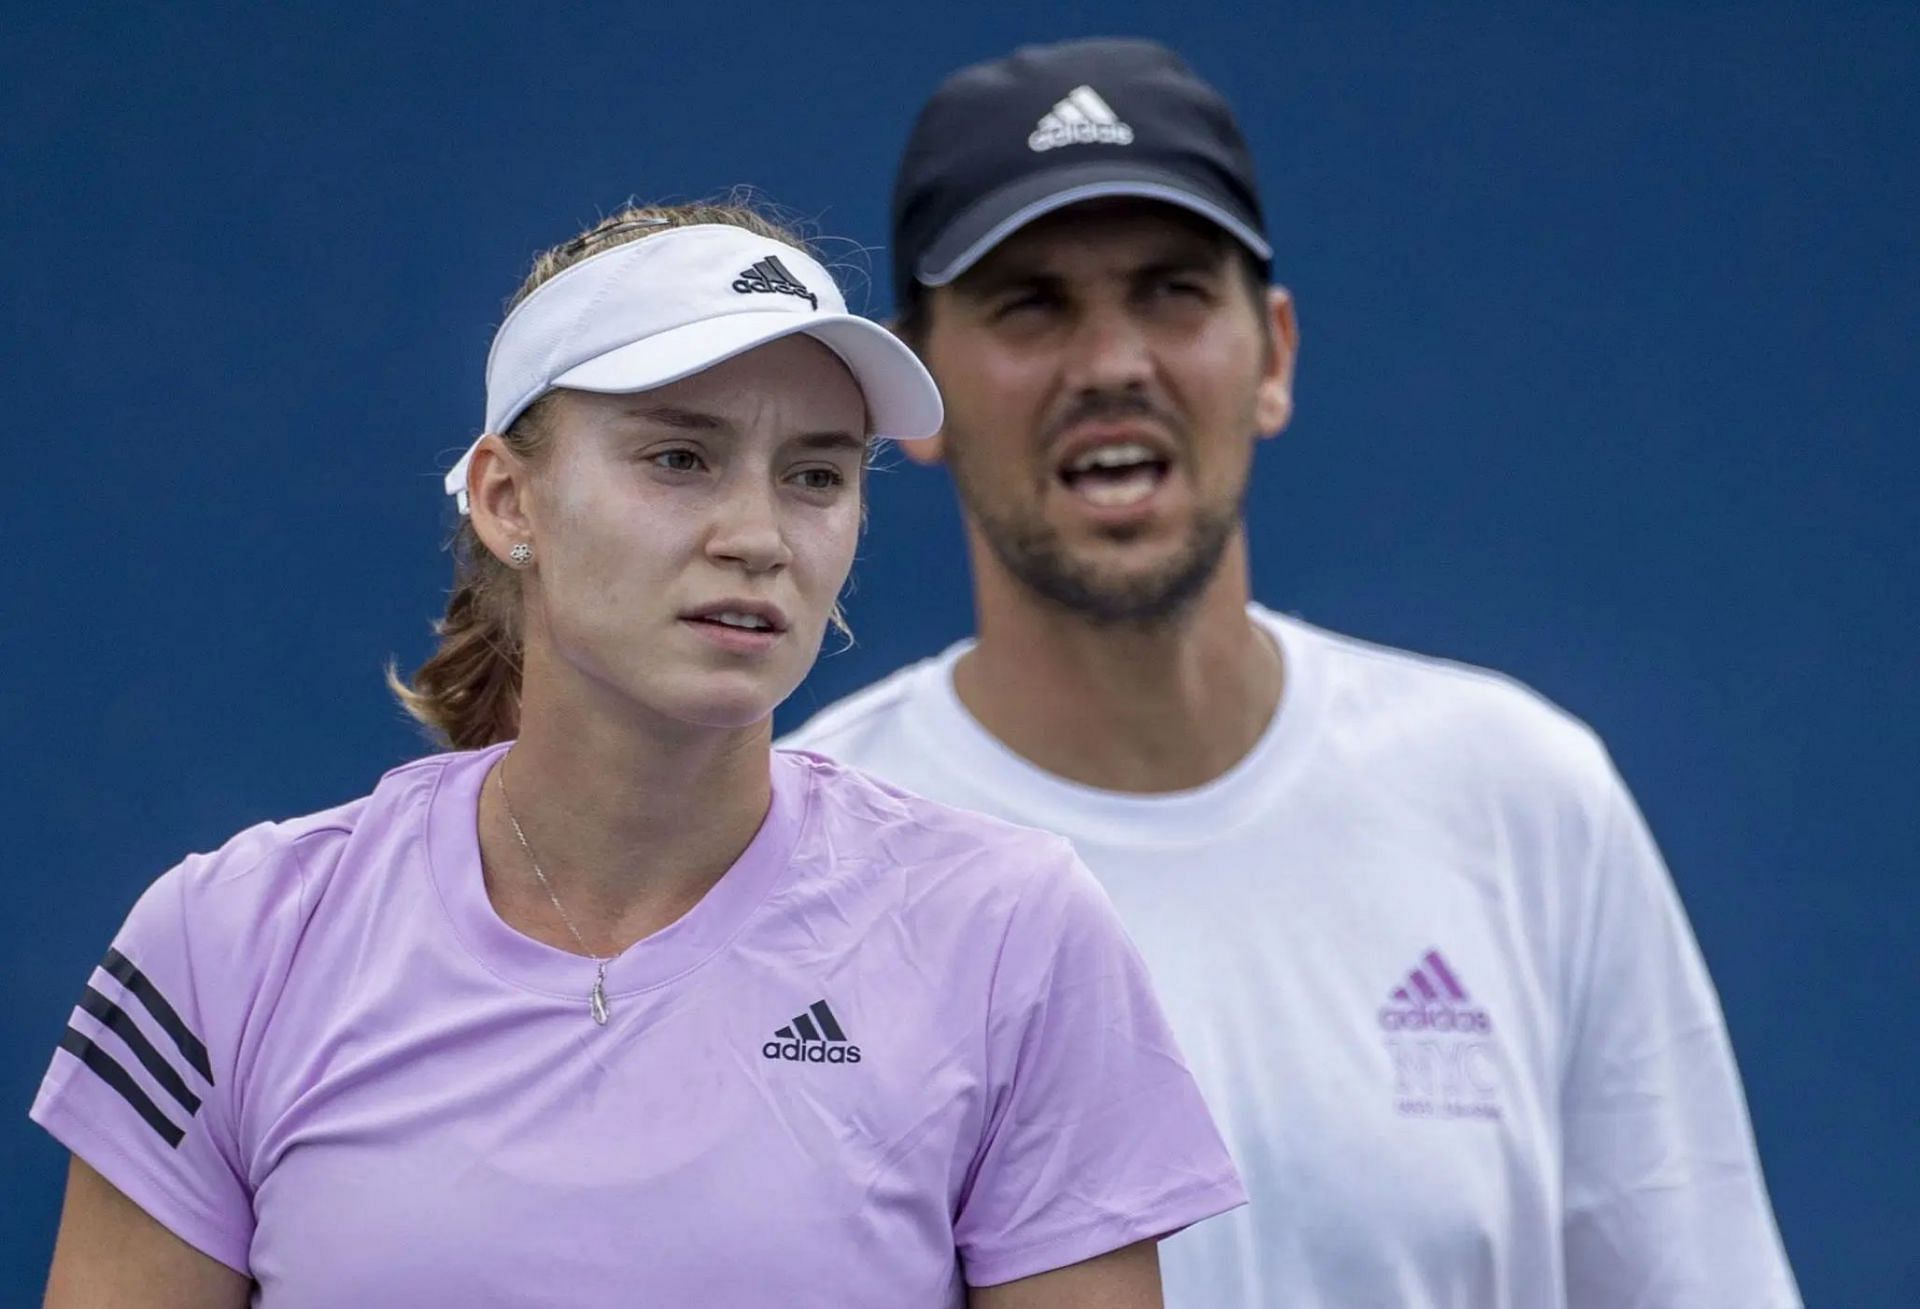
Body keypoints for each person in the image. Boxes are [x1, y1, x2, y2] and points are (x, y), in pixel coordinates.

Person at [31, 199, 1247, 1308]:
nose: (759, 536)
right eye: (680, 458)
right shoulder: (230, 939)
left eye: (815, 474)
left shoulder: (1011, 935)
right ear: (511, 502)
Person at [783, 37, 1802, 1308]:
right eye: (1030, 303)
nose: (1110, 364)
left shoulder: (1524, 799)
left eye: (1169, 292)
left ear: (1273, 355)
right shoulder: (791, 858)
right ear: (915, 396)